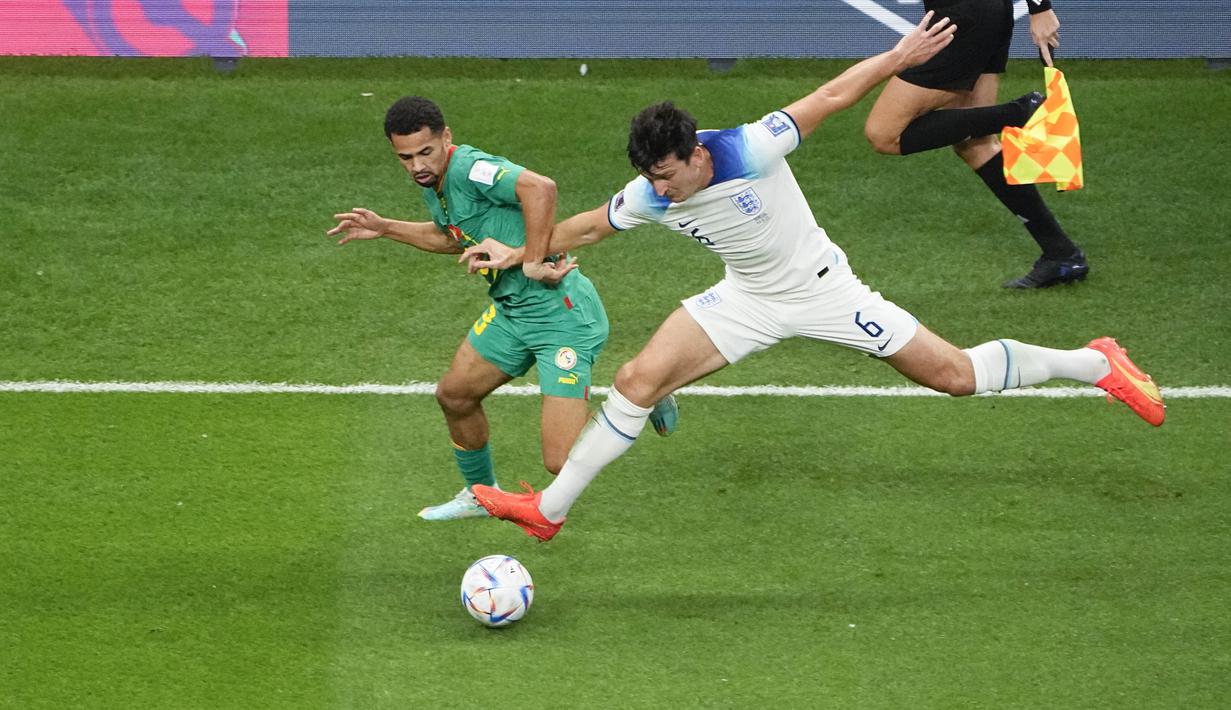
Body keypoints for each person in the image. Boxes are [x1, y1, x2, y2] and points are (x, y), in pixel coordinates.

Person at [463, 14, 1164, 542]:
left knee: (953, 376)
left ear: (695, 153)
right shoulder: (651, 192)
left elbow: (829, 97)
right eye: (650, 178)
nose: (658, 190)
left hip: (824, 291)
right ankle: (548, 513)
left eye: (667, 175)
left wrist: (895, 58)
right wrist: (518, 249)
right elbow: (585, 227)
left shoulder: (748, 147)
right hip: (745, 298)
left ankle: (1093, 361)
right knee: (636, 381)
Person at [328, 96, 677, 521]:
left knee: (562, 461)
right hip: (512, 312)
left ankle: (645, 393)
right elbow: (452, 238)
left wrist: (530, 259)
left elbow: (540, 188)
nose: (417, 164)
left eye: (426, 151)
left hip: (560, 317)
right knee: (455, 396)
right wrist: (386, 228)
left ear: (446, 139)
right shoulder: (433, 184)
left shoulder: (469, 168)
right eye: (405, 157)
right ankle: (480, 493)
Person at [863, 0, 1087, 288]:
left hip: (964, 15)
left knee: (883, 133)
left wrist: (1040, 7)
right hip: (985, 14)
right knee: (977, 144)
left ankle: (1022, 112)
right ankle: (1062, 254)